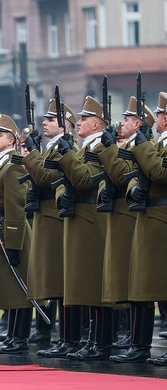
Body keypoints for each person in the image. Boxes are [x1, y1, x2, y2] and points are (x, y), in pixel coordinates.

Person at [55, 96, 111, 361]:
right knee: (85, 282)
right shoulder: (83, 147)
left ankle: (101, 342)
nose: (79, 122)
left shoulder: (100, 147)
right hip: (81, 216)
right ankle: (91, 341)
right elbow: (66, 181)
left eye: (85, 118)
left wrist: (66, 155)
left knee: (94, 282)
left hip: (92, 218)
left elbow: (84, 179)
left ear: (97, 123)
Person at [112, 92, 166, 364]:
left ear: (164, 119)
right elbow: (136, 174)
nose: (153, 119)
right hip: (148, 216)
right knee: (143, 285)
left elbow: (160, 174)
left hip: (162, 218)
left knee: (160, 285)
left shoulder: (154, 145)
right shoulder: (155, 145)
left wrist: (142, 147)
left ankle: (144, 344)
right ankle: (139, 344)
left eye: (157, 115)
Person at [98, 98, 155, 352]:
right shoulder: (131, 146)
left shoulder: (143, 147)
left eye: (128, 119)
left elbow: (124, 174)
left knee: (140, 284)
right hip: (125, 213)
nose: (121, 123)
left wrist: (109, 149)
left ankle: (138, 340)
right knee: (127, 281)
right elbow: (109, 176)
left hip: (136, 215)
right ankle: (133, 338)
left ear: (139, 124)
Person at [20, 100, 76, 351]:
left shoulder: (65, 149)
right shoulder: (49, 150)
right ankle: (62, 338)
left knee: (61, 282)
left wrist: (32, 155)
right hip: (46, 217)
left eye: (51, 119)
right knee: (53, 281)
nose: (44, 122)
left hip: (56, 219)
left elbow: (45, 179)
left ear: (65, 125)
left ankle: (68, 338)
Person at [0, 114, 32, 355]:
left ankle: (19, 338)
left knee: (18, 287)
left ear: (12, 141)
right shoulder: (0, 163)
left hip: (9, 230)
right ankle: (12, 336)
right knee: (10, 286)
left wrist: (13, 242)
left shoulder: (12, 165)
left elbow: (16, 205)